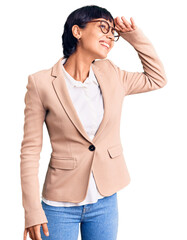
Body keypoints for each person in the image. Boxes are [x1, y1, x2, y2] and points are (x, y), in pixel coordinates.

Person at [20, 4, 167, 240]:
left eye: (113, 33)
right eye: (102, 28)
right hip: (59, 205)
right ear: (77, 31)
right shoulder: (41, 83)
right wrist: (32, 211)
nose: (110, 36)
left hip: (104, 201)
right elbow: (30, 151)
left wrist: (133, 37)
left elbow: (157, 78)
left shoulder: (112, 73)